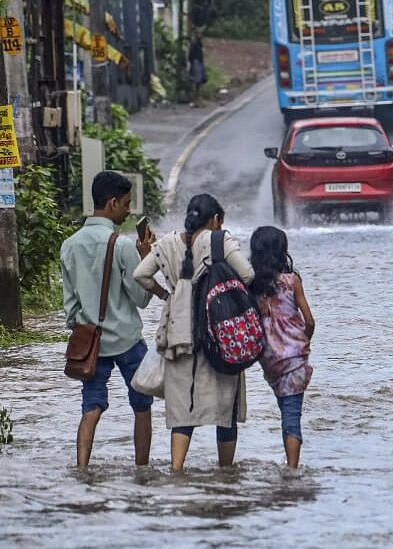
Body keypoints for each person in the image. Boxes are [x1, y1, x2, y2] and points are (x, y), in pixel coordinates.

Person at [134, 194, 253, 472]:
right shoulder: (219, 241)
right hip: (219, 330)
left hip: (178, 332)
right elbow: (247, 275)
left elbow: (141, 274)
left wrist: (166, 294)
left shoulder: (165, 244)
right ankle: (226, 474)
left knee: (182, 409)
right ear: (215, 220)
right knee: (226, 411)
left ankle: (176, 470)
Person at [61, 171, 157, 467]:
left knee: (91, 407)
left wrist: (88, 324)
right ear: (113, 203)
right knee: (142, 407)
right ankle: (142, 470)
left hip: (91, 343)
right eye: (126, 204)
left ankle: (82, 469)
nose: (128, 211)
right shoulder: (124, 246)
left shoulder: (70, 245)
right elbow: (141, 299)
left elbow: (71, 308)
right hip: (127, 340)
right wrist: (146, 259)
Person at [250, 226, 315, 469]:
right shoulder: (291, 282)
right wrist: (304, 341)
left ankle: (290, 466)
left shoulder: (252, 284)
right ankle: (292, 469)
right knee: (291, 415)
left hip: (268, 359)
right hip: (294, 358)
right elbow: (309, 320)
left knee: (284, 408)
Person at [188, 31, 207, 107]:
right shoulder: (194, 43)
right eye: (199, 34)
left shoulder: (199, 43)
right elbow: (190, 55)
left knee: (200, 81)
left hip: (199, 62)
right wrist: (193, 62)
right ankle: (194, 100)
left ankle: (197, 99)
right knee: (196, 81)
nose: (201, 35)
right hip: (196, 62)